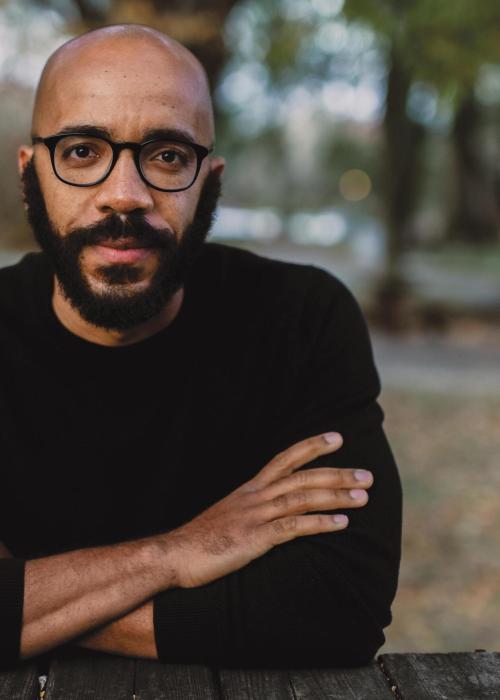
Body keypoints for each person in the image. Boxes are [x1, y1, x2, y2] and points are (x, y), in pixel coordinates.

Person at [0, 24, 402, 669]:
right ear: (31, 173)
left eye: (166, 155)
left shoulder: (302, 319)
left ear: (209, 181)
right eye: (81, 151)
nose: (124, 195)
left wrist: (31, 605)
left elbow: (340, 608)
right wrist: (178, 553)